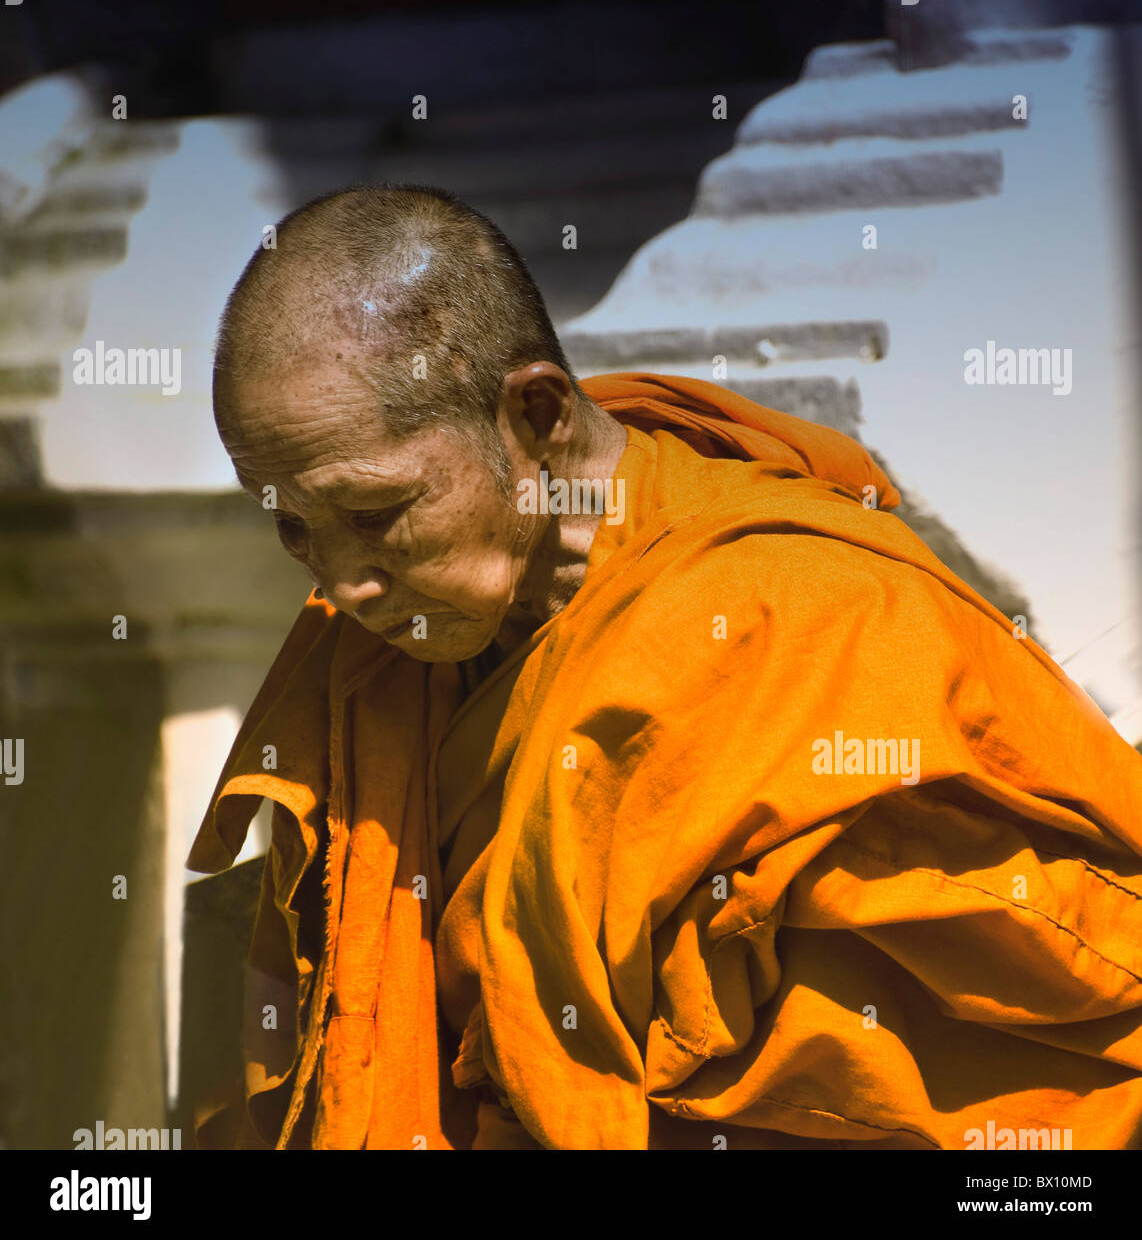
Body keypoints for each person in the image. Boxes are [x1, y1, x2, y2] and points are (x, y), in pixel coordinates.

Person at [188, 182, 1142, 1150]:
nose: (342, 580)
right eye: (291, 525)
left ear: (536, 412)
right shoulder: (382, 648)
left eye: (375, 513)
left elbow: (1047, 1027)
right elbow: (309, 980)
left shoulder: (811, 620)